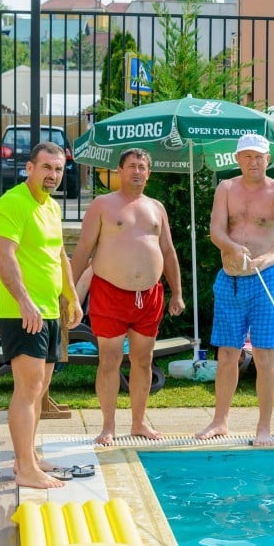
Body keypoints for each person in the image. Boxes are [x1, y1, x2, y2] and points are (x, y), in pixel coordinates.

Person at [70, 148, 185, 445]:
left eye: (142, 167)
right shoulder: (102, 205)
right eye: (131, 166)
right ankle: (108, 426)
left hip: (149, 296)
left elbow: (169, 252)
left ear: (149, 173)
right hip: (110, 292)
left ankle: (138, 423)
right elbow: (83, 249)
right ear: (119, 171)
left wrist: (177, 293)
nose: (136, 171)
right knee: (109, 360)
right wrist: (69, 290)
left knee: (143, 360)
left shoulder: (156, 207)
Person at [0, 142, 82, 489]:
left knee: (40, 388)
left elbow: (59, 256)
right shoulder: (13, 203)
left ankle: (27, 456)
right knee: (27, 389)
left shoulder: (52, 208)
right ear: (29, 168)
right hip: (22, 311)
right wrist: (25, 302)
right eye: (46, 167)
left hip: (48, 310)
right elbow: (5, 258)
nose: (53, 175)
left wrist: (71, 297)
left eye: (58, 169)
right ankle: (25, 468)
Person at [196, 133, 274, 447]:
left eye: (260, 156)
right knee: (227, 354)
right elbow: (215, 229)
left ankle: (264, 426)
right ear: (238, 159)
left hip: (268, 277)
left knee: (265, 356)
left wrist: (271, 255)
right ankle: (219, 421)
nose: (254, 162)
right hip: (231, 278)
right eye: (248, 156)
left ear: (268, 159)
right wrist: (232, 246)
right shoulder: (226, 189)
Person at [0, 265, 95, 344]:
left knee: (30, 319)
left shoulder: (94, 268)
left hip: (71, 312)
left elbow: (80, 290)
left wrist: (72, 303)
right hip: (61, 305)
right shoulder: (94, 265)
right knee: (28, 317)